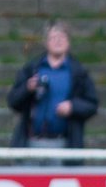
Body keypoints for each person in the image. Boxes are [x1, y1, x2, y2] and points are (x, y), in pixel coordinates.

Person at [6, 21, 99, 166]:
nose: (58, 41)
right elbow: (13, 101)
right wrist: (27, 88)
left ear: (68, 42)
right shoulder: (32, 68)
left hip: (64, 144)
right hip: (31, 143)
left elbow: (92, 104)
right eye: (53, 38)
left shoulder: (78, 72)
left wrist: (72, 107)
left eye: (62, 37)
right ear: (46, 42)